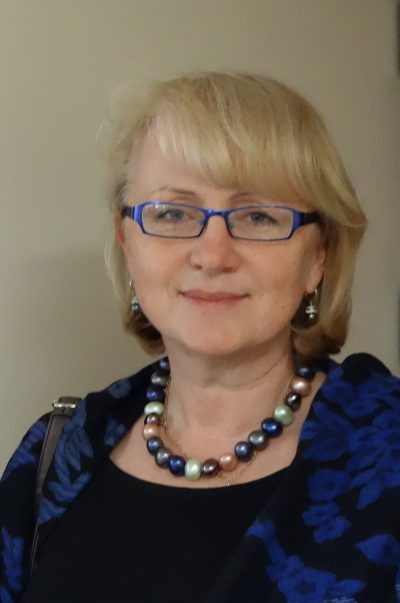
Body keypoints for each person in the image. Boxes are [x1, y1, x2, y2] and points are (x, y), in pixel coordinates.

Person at [1, 72, 399, 603]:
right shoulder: (55, 455)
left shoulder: (389, 453)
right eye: (172, 212)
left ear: (318, 256)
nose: (212, 255)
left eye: (258, 216)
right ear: (126, 242)